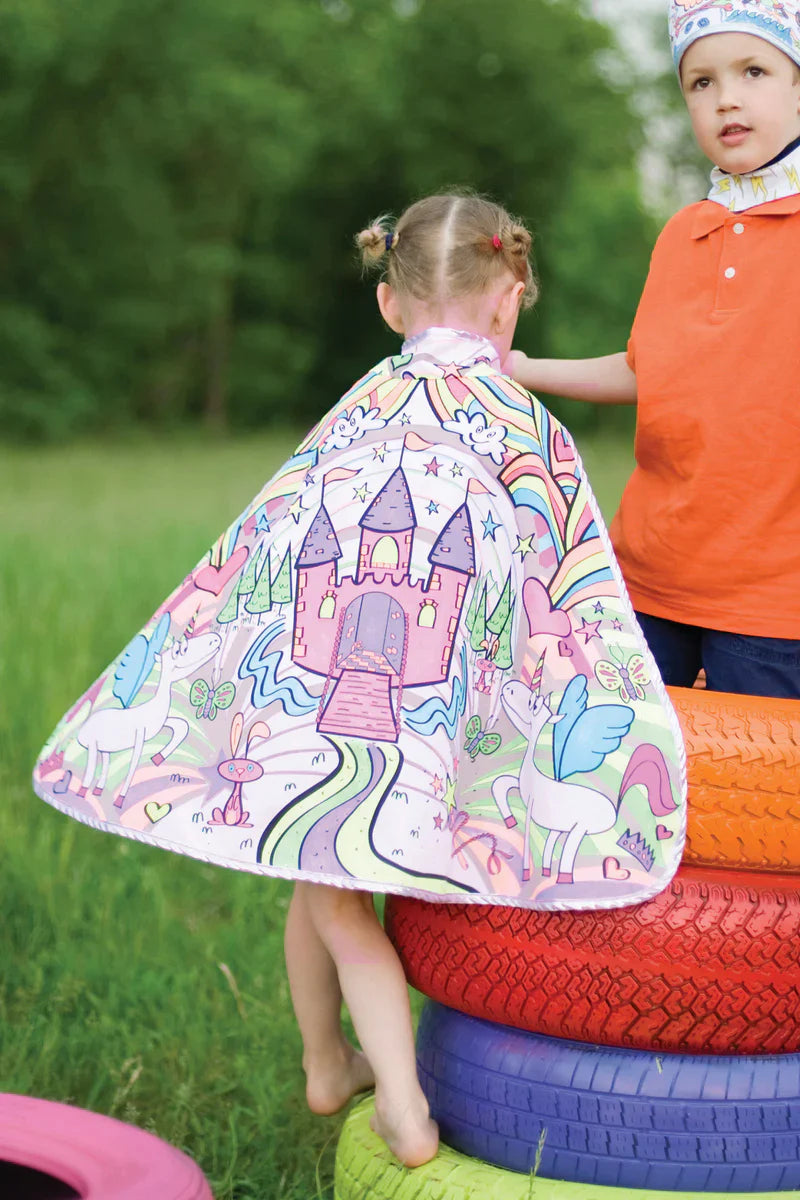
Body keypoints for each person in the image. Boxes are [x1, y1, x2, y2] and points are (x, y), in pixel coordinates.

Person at [32, 193, 686, 1168]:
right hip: (424, 705)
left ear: (388, 302)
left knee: (327, 883)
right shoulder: (524, 425)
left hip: (318, 684)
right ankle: (390, 1099)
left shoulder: (359, 410)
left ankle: (338, 1070)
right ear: (510, 299)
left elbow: (269, 539)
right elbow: (560, 574)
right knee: (331, 884)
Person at [507, 0, 800, 700]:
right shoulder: (680, 235)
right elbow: (651, 372)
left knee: (752, 774)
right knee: (625, 763)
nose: (726, 98)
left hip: (772, 603)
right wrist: (518, 369)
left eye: (754, 71)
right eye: (701, 82)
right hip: (646, 582)